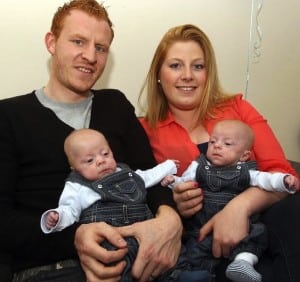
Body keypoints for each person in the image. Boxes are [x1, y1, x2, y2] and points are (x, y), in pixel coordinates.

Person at [0, 1, 186, 281]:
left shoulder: (115, 105)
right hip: (51, 268)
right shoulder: (9, 116)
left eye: (100, 48)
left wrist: (170, 218)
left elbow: (148, 174)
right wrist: (75, 238)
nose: (90, 56)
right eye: (78, 41)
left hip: (135, 258)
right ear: (52, 42)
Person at [138, 24, 300, 282]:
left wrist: (240, 207)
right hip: (199, 240)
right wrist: (174, 205)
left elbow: (283, 174)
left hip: (262, 228)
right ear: (159, 74)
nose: (188, 75)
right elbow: (143, 193)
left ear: (208, 73)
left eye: (198, 66)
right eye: (176, 65)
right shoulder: (143, 130)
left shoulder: (238, 108)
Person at [40, 128, 210, 282]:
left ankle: (181, 274)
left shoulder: (125, 173)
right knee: (119, 265)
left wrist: (167, 166)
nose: (101, 161)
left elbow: (147, 177)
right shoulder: (77, 186)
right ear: (74, 167)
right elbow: (69, 209)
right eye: (90, 160)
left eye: (105, 154)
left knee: (170, 253)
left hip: (145, 229)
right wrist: (57, 217)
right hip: (113, 239)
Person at [161, 119, 299, 282]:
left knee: (256, 234)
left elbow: (266, 179)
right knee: (195, 251)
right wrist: (173, 182)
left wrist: (284, 181)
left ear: (244, 155)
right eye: (213, 142)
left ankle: (243, 262)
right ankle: (191, 274)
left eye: (227, 143)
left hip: (240, 227)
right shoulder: (199, 166)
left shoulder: (245, 171)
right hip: (204, 225)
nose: (217, 146)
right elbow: (185, 183)